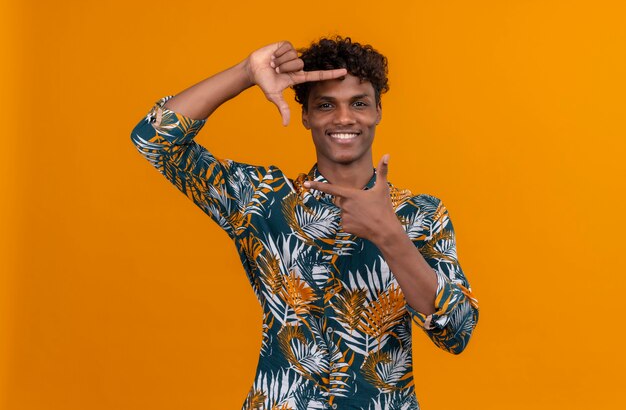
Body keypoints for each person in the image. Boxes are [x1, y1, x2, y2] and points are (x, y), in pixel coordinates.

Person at [131, 37, 479, 410]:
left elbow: (456, 332)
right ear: (306, 116)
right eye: (326, 105)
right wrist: (245, 73)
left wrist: (390, 235)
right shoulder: (262, 200)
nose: (344, 118)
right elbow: (154, 140)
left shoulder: (420, 214)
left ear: (378, 110)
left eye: (358, 103)